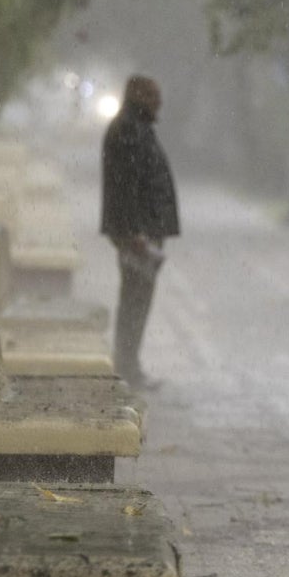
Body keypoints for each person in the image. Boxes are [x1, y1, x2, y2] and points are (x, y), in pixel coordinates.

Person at [100, 75, 179, 389]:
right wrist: (135, 232)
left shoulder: (134, 127)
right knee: (135, 298)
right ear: (139, 95)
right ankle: (127, 367)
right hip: (138, 233)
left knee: (136, 298)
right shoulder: (129, 130)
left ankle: (129, 364)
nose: (159, 102)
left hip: (140, 229)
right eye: (153, 95)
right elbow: (126, 186)